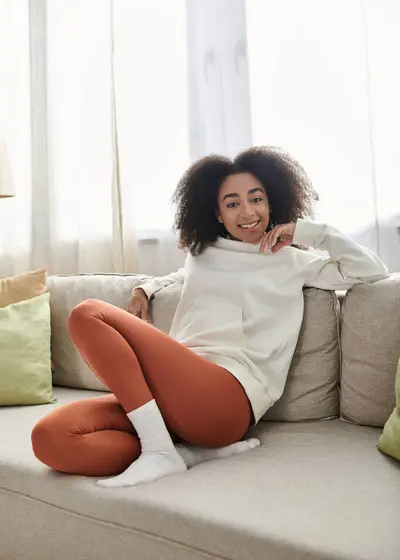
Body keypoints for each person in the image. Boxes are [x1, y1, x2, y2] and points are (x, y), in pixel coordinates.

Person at [31, 146, 389, 488]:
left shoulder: (294, 263)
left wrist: (311, 232)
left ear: (271, 201)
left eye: (256, 198)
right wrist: (145, 288)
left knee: (88, 315)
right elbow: (179, 276)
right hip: (175, 398)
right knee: (50, 439)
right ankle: (186, 453)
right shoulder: (203, 256)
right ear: (217, 213)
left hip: (227, 400)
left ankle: (159, 451)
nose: (247, 212)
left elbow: (371, 271)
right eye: (232, 204)